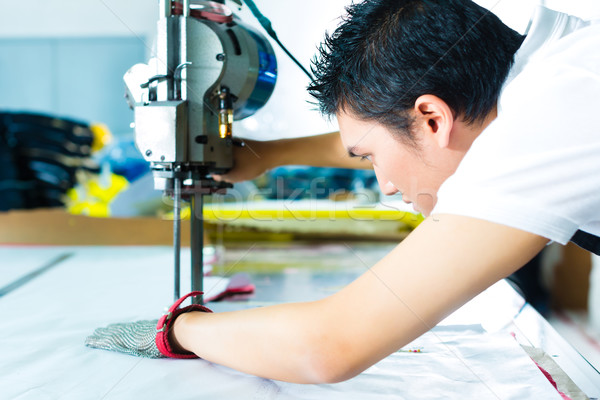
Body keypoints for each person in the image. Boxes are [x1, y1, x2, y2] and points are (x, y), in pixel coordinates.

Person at [86, 0, 600, 384]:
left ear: (432, 116)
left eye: (370, 159)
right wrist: (270, 154)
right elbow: (397, 133)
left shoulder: (545, 120)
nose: (387, 186)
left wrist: (175, 331)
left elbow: (330, 345)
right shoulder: (555, 73)